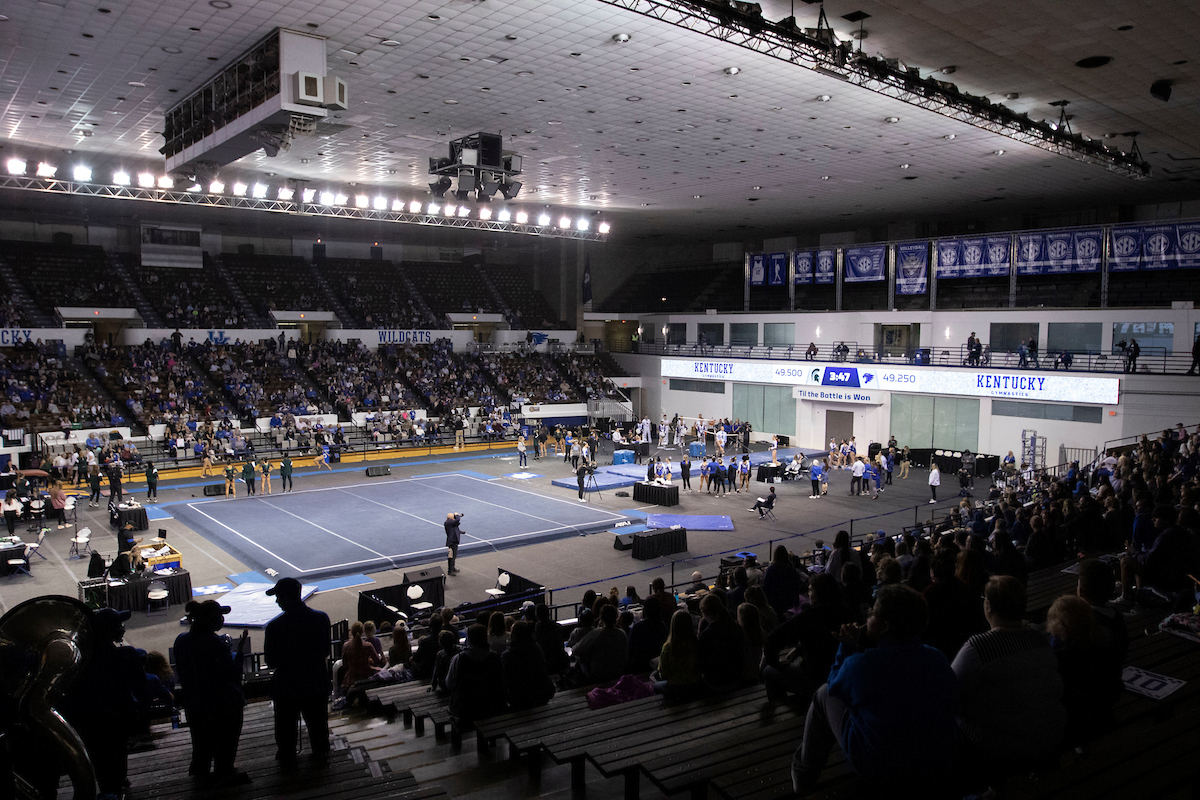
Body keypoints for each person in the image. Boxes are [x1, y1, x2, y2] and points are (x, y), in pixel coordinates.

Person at [790, 585, 957, 795]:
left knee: (823, 694)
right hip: (935, 756)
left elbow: (834, 685)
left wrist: (847, 646)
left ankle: (802, 776)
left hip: (880, 766)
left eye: (872, 613)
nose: (868, 616)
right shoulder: (937, 658)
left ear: (885, 626)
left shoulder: (862, 665)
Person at [951, 576, 1065, 782]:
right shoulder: (1038, 639)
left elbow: (949, 690)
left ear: (988, 606)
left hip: (1004, 750)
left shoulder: (979, 647)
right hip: (1050, 735)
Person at [173, 600, 251, 786]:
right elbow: (232, 674)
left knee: (201, 750)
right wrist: (239, 652)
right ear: (212, 620)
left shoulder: (181, 641)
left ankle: (200, 786)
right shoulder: (216, 644)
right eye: (219, 616)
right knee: (225, 751)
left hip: (195, 706)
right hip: (224, 706)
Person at [263, 577, 331, 762]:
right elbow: (325, 651)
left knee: (286, 734)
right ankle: (321, 763)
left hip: (287, 687)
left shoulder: (275, 627)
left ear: (285, 597)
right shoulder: (321, 619)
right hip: (315, 683)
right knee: (318, 730)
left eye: (278, 597)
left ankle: (288, 763)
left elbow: (270, 662)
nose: (277, 601)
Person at [763, 573, 846, 704]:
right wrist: (799, 649)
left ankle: (781, 709)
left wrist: (775, 663)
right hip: (841, 675)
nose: (808, 594)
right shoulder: (844, 611)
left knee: (769, 671)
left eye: (811, 590)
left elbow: (773, 639)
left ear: (819, 593)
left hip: (815, 678)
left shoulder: (810, 617)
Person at [446, 624, 506, 727]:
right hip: (491, 705)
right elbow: (501, 681)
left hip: (465, 708)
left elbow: (449, 683)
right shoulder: (495, 657)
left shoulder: (459, 658)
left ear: (469, 638)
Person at [502, 621, 556, 709]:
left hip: (520, 698)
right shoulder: (537, 647)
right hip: (541, 693)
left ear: (513, 635)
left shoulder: (507, 655)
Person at [573, 603, 629, 683]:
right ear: (616, 617)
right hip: (618, 672)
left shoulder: (596, 633)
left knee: (579, 659)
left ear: (601, 617)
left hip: (598, 674)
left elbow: (576, 650)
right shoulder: (622, 633)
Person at [654, 609, 703, 699]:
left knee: (655, 684)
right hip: (695, 685)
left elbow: (663, 674)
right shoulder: (696, 643)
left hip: (675, 688)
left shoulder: (668, 647)